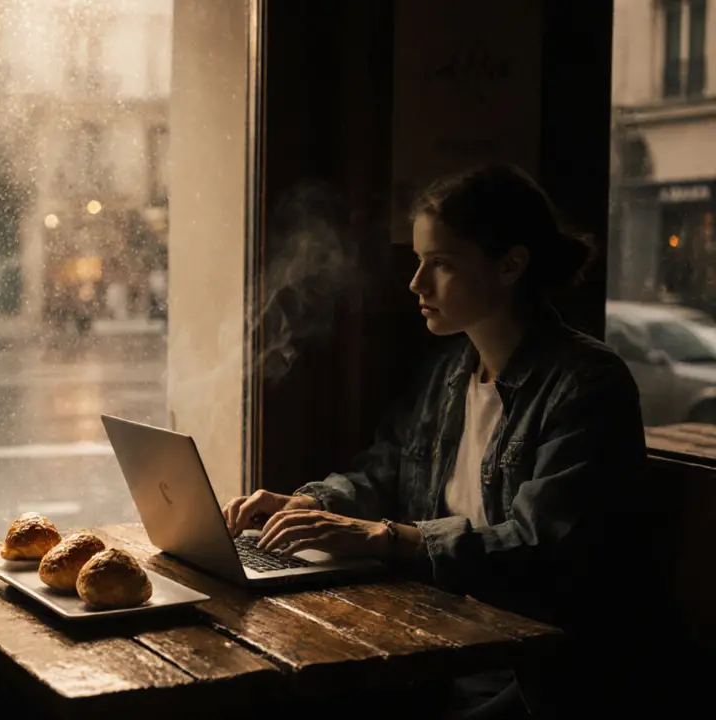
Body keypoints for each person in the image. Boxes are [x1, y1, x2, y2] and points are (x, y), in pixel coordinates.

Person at [223, 166, 659, 717]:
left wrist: (383, 538)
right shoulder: (452, 372)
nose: (416, 284)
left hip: (545, 678)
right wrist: (312, 505)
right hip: (448, 649)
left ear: (510, 265)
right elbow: (384, 470)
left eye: (441, 264)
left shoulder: (587, 383)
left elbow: (539, 546)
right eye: (418, 262)